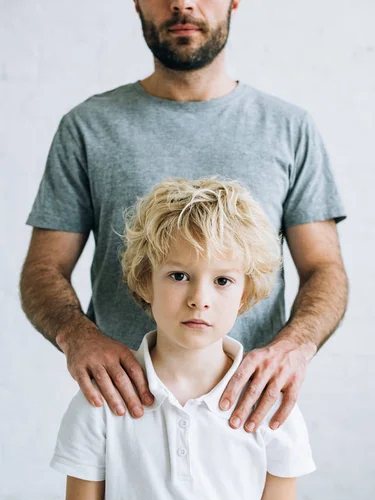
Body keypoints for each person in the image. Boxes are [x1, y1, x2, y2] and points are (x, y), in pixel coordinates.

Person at [20, 0, 348, 435]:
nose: (181, 4)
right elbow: (44, 267)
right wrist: (77, 338)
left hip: (246, 414)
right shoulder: (87, 127)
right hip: (123, 410)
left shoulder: (290, 129)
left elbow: (324, 268)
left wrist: (295, 347)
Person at [51, 176, 316, 500]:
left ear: (247, 291)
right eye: (178, 275)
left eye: (223, 281)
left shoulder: (268, 404)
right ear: (144, 281)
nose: (199, 298)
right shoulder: (101, 403)